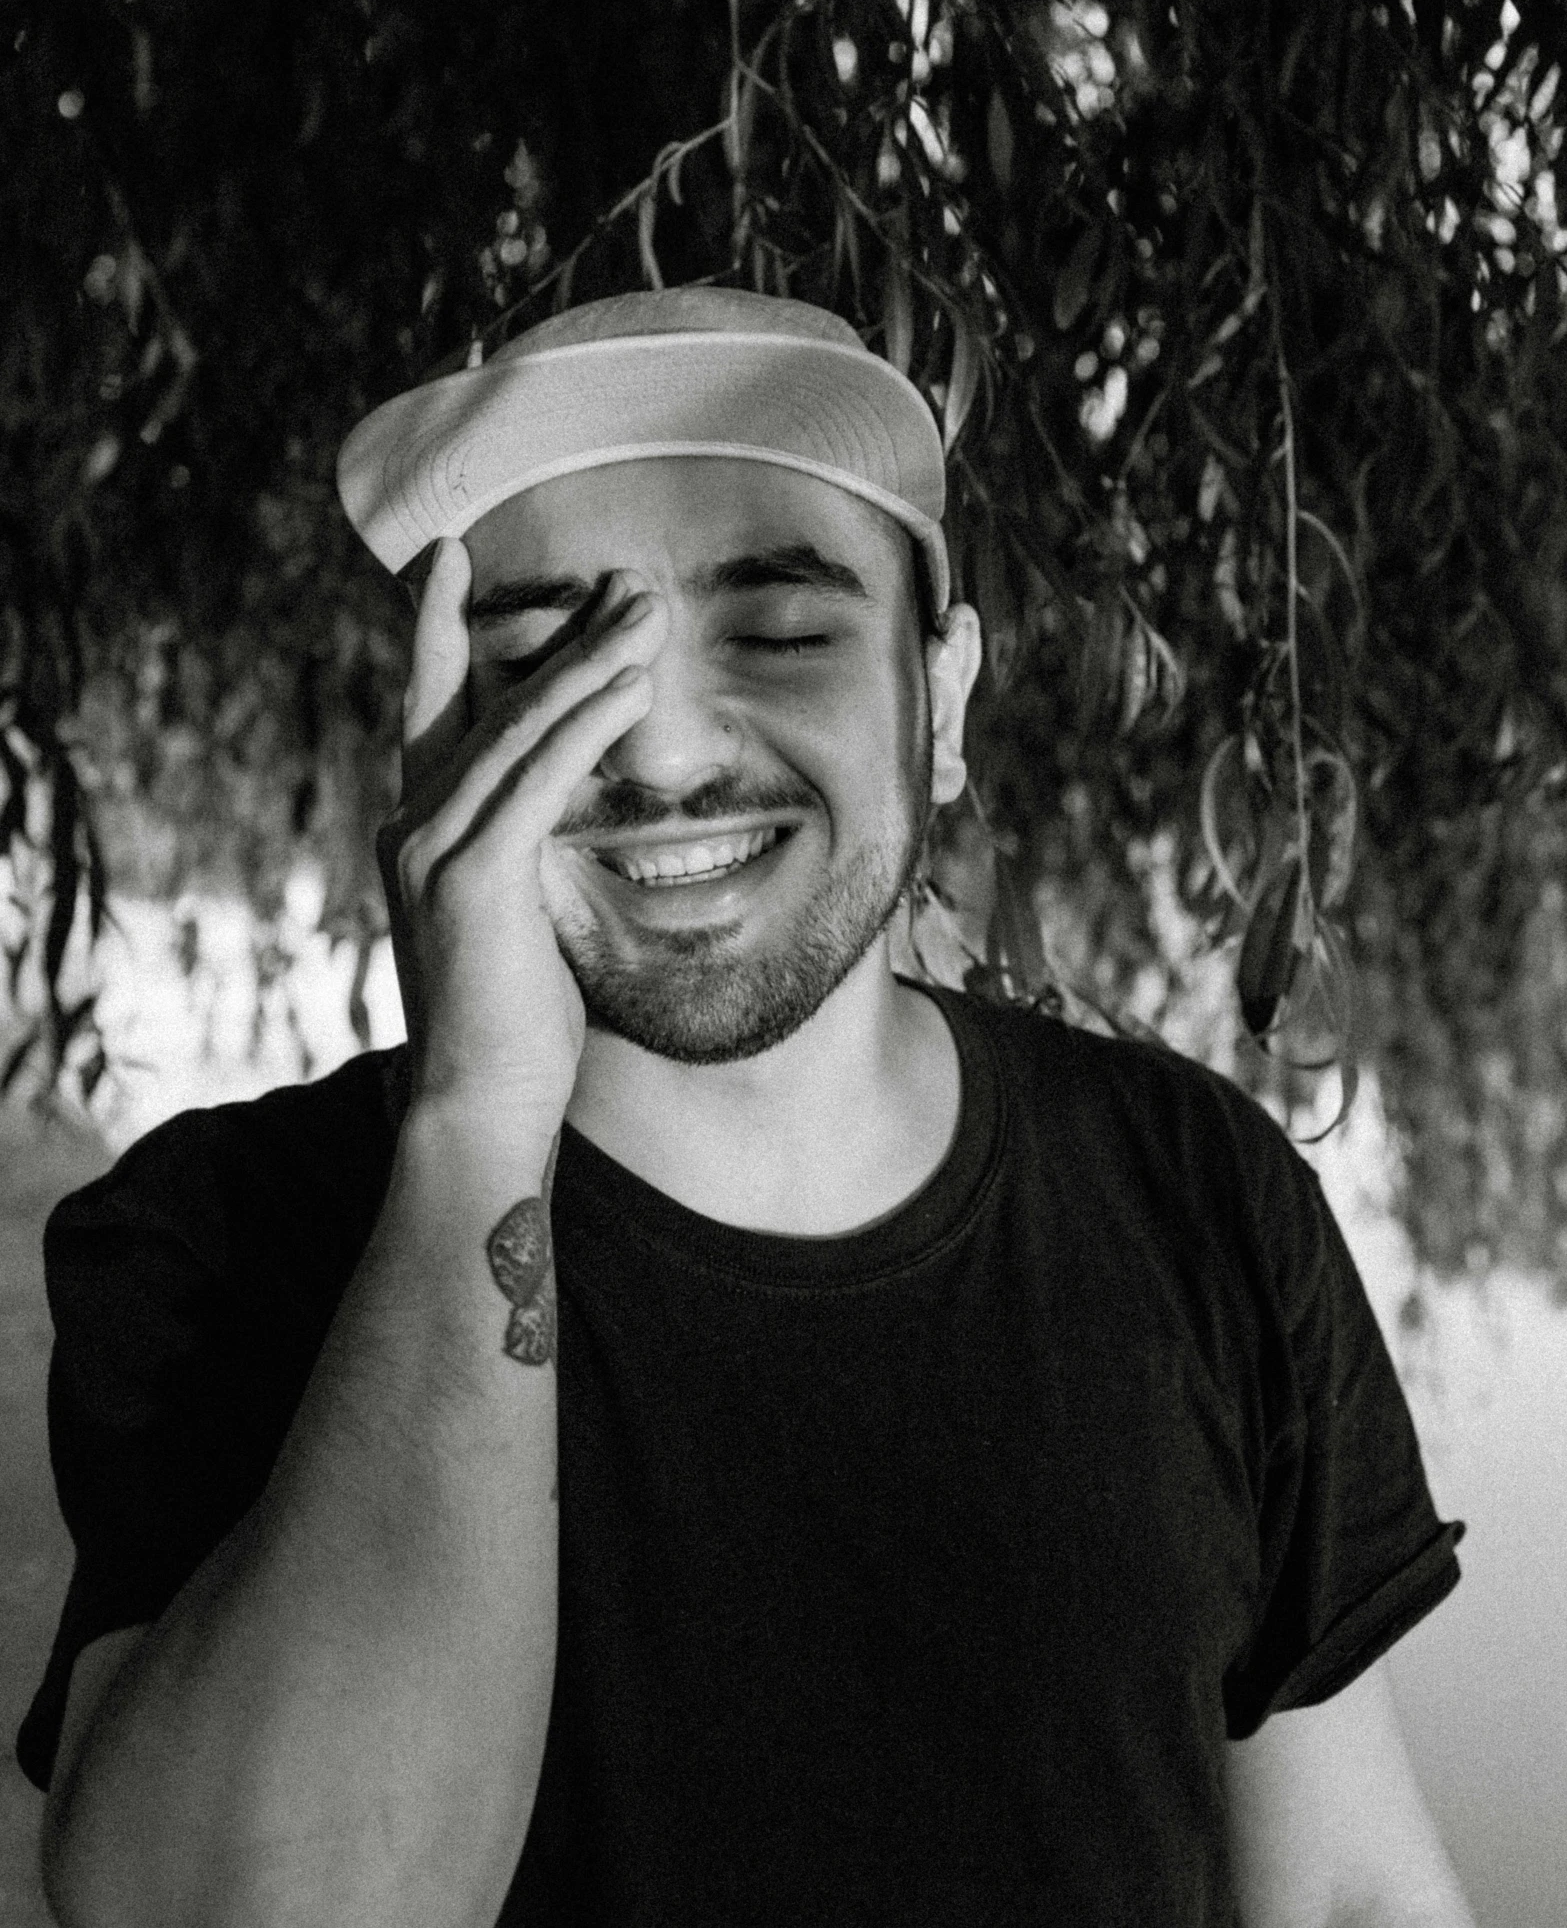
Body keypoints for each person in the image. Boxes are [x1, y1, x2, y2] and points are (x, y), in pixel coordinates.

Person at [19, 287, 1475, 1928]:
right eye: (548, 656)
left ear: (947, 702)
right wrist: (480, 1118)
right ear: (438, 733)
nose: (661, 745)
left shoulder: (1195, 1189)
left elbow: (1352, 1891)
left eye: (780, 632)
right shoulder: (223, 1235)